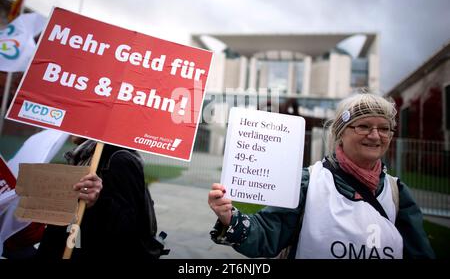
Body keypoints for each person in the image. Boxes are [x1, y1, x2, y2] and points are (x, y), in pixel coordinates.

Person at [208, 92, 435, 259]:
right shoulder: (308, 182)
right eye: (363, 126)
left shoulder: (397, 193)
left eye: (384, 128)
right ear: (340, 133)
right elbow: (267, 235)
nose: (375, 136)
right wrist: (231, 218)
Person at [36, 136, 167, 259]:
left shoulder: (119, 160)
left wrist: (96, 203)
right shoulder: (83, 156)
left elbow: (126, 230)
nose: (71, 128)